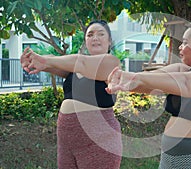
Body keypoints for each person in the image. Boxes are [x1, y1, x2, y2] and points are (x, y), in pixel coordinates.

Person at [106, 21, 191, 169]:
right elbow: (148, 81)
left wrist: (135, 77)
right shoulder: (182, 70)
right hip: (169, 160)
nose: (180, 47)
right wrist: (124, 80)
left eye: (185, 43)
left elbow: (187, 84)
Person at [21, 20, 122, 169]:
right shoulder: (75, 68)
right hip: (67, 140)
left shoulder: (111, 63)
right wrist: (33, 61)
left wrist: (45, 60)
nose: (95, 38)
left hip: (99, 139)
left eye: (101, 34)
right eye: (90, 35)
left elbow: (81, 62)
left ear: (109, 41)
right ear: (85, 41)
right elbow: (53, 64)